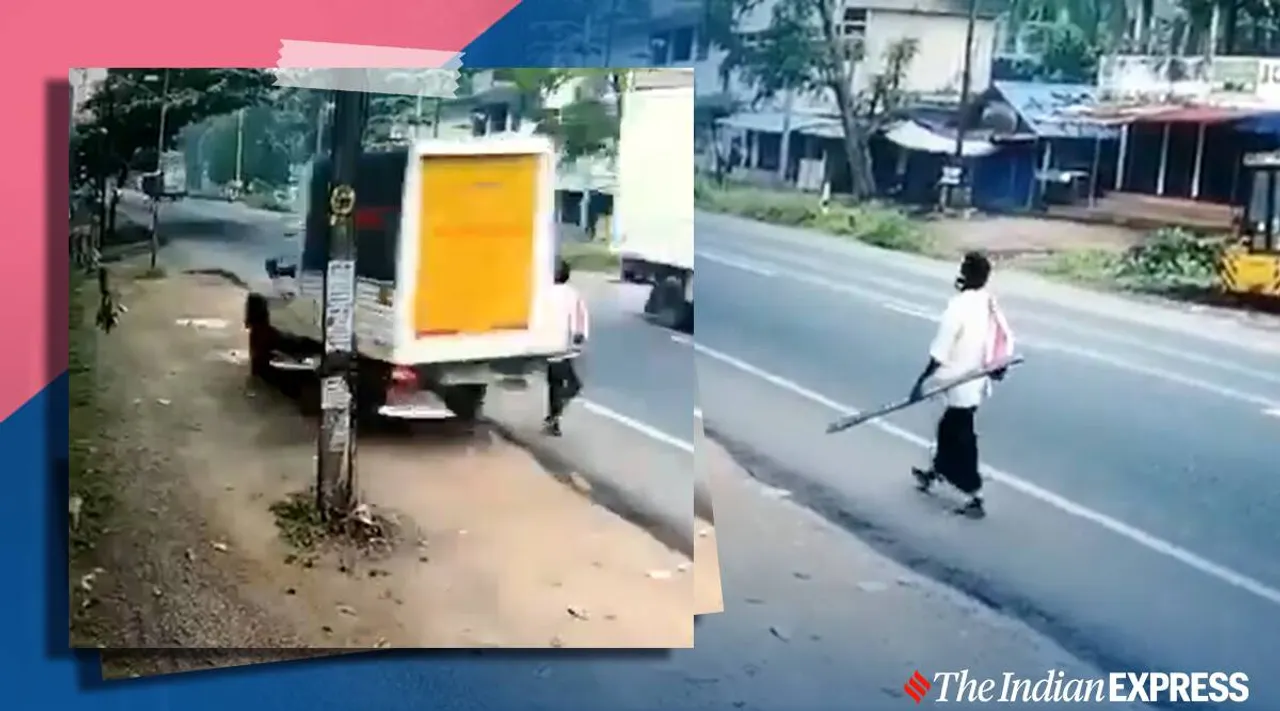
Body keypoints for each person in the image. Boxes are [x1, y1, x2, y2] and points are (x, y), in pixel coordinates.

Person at [908, 251, 1015, 519]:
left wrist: (920, 382)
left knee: (960, 437)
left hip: (959, 382)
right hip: (975, 381)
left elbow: (940, 352)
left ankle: (974, 495)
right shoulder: (988, 303)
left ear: (964, 274)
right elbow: (1002, 339)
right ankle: (934, 473)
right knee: (949, 431)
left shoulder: (958, 307)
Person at [543, 258, 590, 437]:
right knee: (572, 384)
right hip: (563, 345)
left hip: (549, 344)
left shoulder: (545, 293)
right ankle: (555, 414)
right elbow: (581, 317)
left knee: (555, 384)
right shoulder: (572, 294)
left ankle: (554, 417)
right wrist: (581, 336)